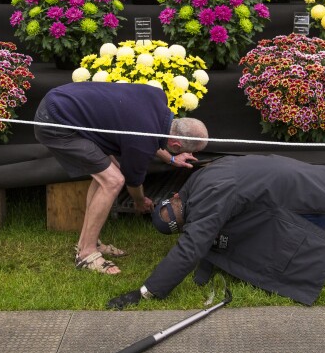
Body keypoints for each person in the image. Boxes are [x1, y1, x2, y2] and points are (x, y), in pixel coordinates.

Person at [107, 154, 325, 309]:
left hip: (304, 199)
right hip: (304, 179)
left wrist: (146, 291)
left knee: (307, 256)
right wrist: (203, 274)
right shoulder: (195, 182)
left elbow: (192, 248)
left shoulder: (209, 201)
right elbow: (204, 237)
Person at [34, 81, 208, 275]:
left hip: (61, 99)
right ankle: (86, 254)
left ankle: (89, 242)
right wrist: (140, 201)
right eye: (180, 150)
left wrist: (172, 157)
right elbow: (134, 179)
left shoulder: (158, 96)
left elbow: (149, 134)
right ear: (176, 144)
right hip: (54, 122)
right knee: (113, 180)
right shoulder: (142, 141)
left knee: (107, 175)